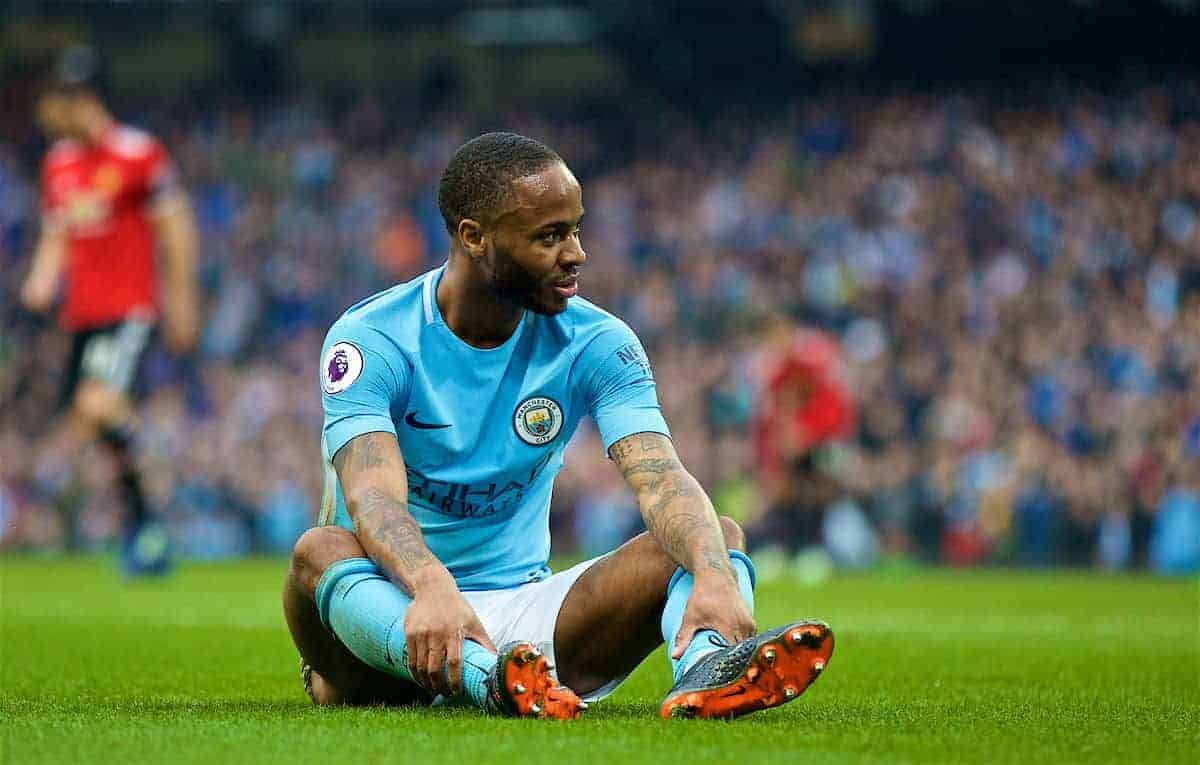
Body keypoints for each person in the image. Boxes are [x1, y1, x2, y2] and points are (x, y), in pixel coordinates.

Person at [283, 132, 834, 720]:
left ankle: (706, 667)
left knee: (714, 538)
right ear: (474, 237)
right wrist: (431, 587)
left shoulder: (599, 341)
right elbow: (372, 498)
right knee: (319, 550)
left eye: (575, 229)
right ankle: (487, 678)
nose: (576, 253)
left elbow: (660, 479)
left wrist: (716, 577)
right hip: (389, 613)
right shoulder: (373, 339)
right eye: (549, 236)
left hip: (522, 617)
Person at [19, 48, 199, 575]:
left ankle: (154, 495)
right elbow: (57, 231)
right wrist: (40, 281)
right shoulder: (60, 163)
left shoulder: (138, 154)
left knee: (98, 405)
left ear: (78, 102)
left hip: (129, 308)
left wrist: (182, 298)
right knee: (94, 424)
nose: (44, 116)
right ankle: (142, 527)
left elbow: (175, 224)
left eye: (51, 104)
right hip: (81, 315)